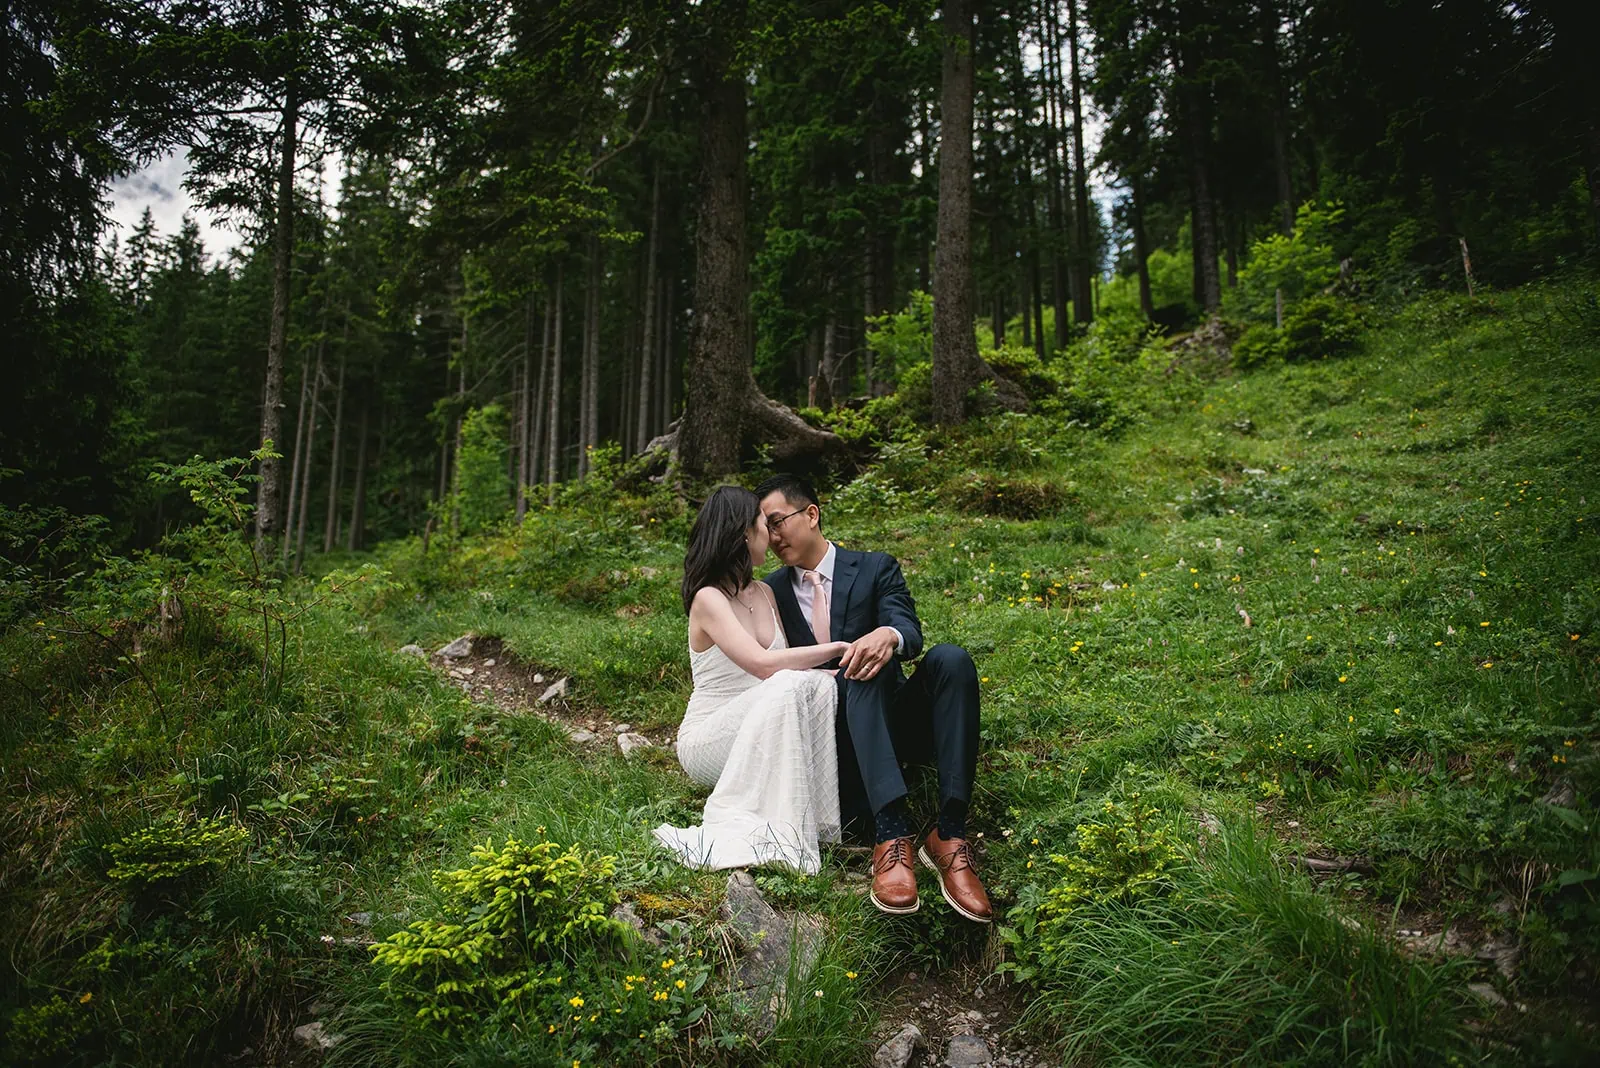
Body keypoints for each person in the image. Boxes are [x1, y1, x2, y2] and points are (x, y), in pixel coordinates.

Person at [756, 473, 992, 923]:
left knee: (951, 660)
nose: (773, 536)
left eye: (778, 521)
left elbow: (909, 630)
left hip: (893, 723)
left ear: (811, 513)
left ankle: (951, 834)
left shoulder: (875, 567)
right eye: (765, 529)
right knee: (855, 663)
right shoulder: (771, 592)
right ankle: (891, 834)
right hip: (833, 747)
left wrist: (886, 635)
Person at [653, 486, 852, 875]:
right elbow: (764, 665)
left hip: (764, 724)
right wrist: (838, 649)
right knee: (788, 681)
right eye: (766, 525)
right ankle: (783, 835)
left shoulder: (764, 593)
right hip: (711, 737)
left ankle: (820, 826)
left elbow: (793, 673)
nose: (773, 536)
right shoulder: (708, 598)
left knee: (820, 685)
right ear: (744, 533)